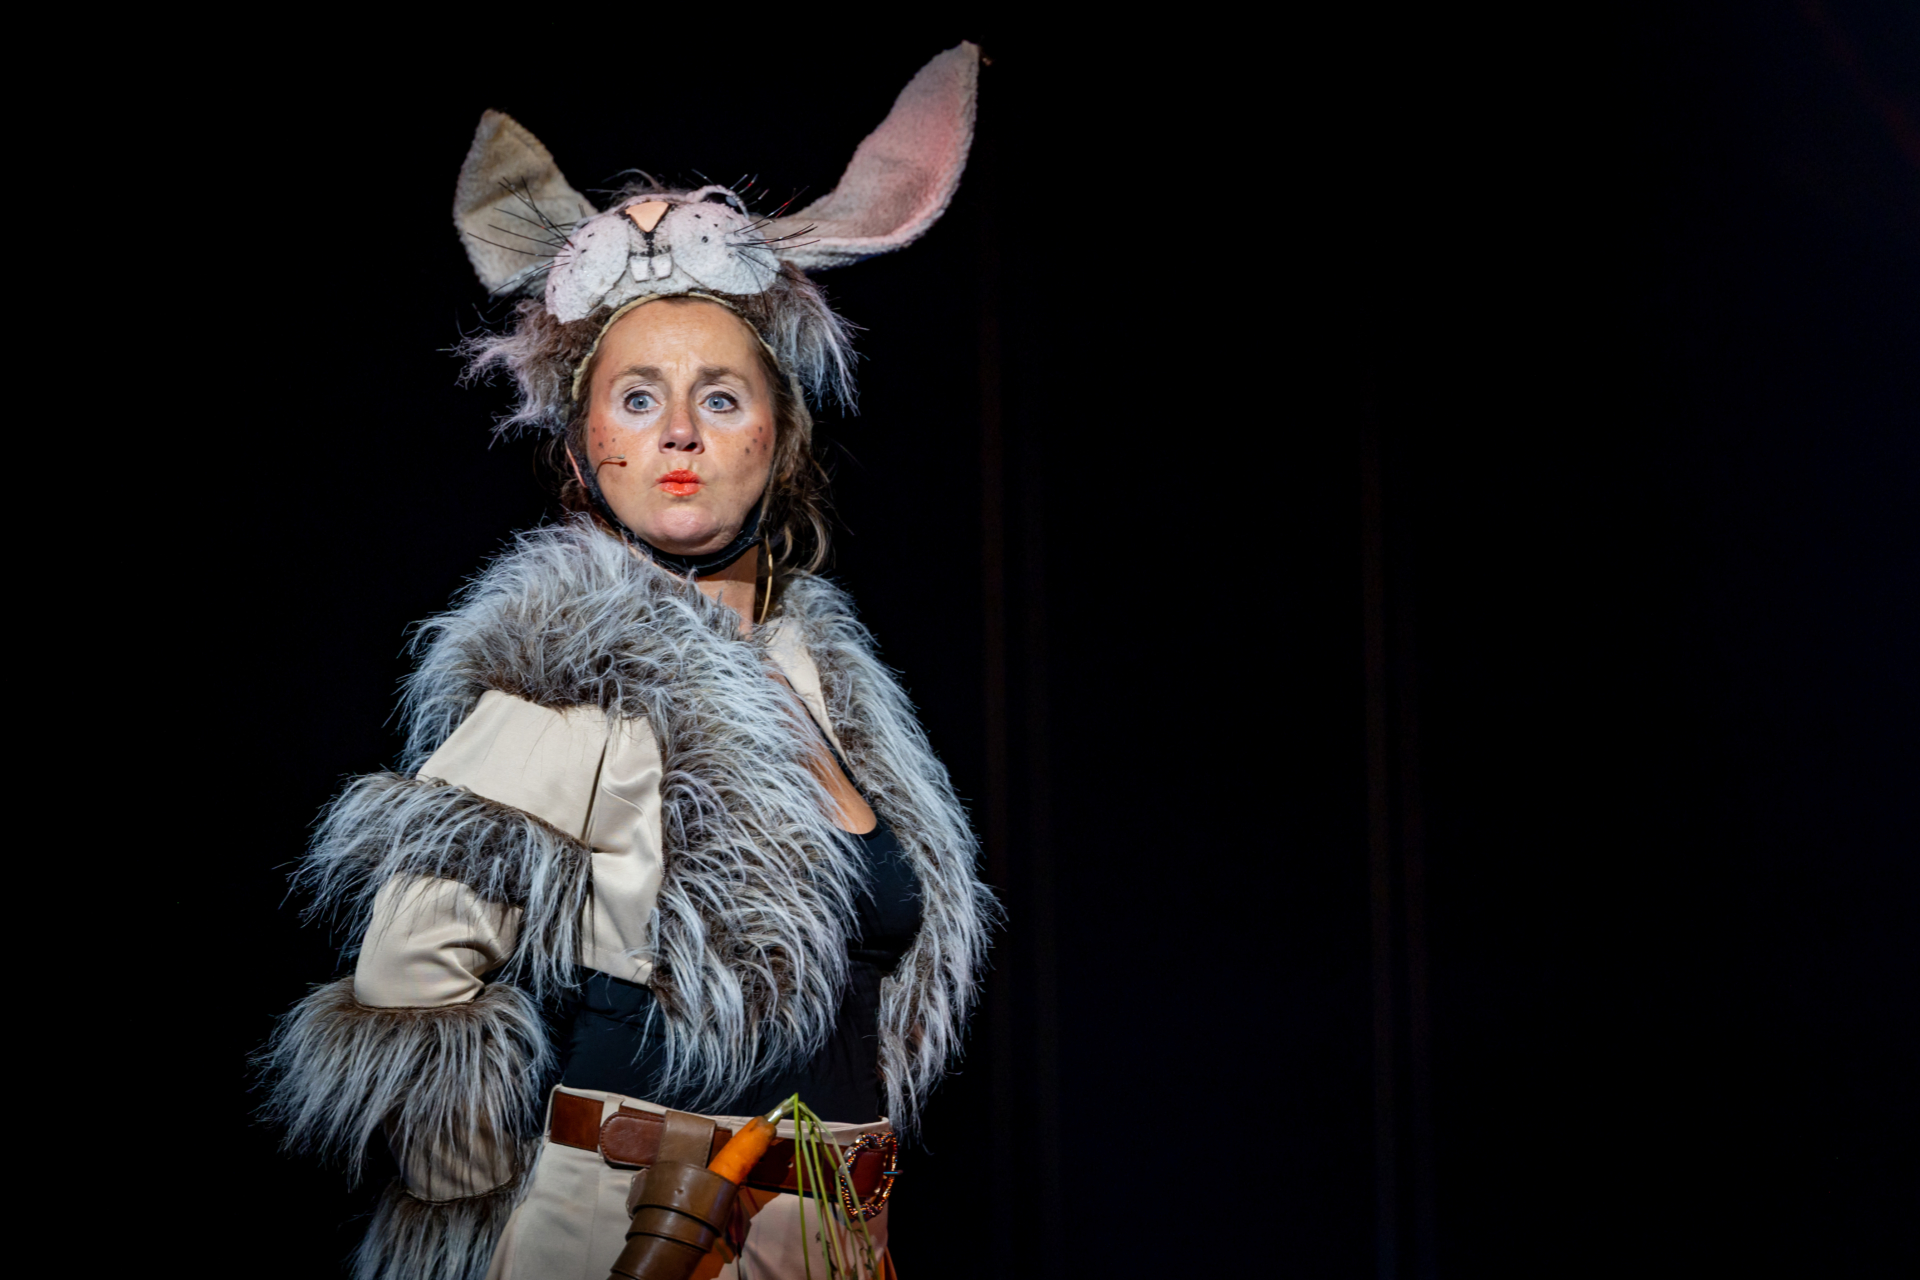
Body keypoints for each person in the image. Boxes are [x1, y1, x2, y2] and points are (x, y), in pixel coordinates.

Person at [263, 44, 994, 1280]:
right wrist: (494, 1217)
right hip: (632, 1234)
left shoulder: (824, 684)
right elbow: (412, 986)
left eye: (721, 398)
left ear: (781, 436)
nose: (680, 436)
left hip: (832, 1231)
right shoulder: (569, 680)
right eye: (639, 398)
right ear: (582, 444)